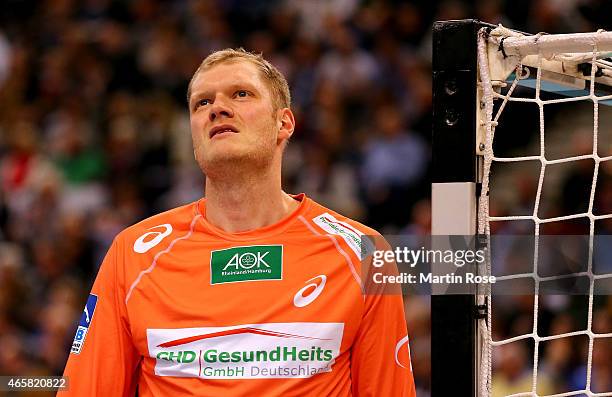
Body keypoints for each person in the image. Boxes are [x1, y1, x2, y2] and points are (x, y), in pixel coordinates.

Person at [60, 48, 416, 396]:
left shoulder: (364, 253)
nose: (217, 108)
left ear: (284, 122)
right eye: (202, 103)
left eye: (241, 94)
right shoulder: (132, 253)